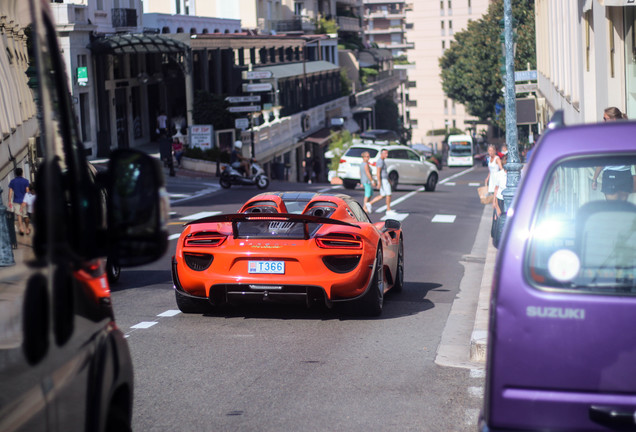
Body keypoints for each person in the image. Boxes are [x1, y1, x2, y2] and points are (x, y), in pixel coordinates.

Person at [592, 107, 632, 200]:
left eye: (605, 119)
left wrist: (595, 178)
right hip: (626, 175)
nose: (603, 121)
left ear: (613, 120)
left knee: (612, 209)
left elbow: (602, 161)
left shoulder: (608, 135)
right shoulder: (629, 133)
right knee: (622, 208)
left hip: (611, 175)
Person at [368, 149, 396, 215]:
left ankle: (369, 203)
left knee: (383, 195)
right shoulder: (380, 161)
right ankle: (388, 210)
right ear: (382, 154)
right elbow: (378, 172)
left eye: (387, 153)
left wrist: (388, 179)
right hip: (383, 180)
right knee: (388, 194)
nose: (387, 155)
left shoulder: (382, 161)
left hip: (385, 179)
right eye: (385, 153)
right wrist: (379, 182)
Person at [492, 153, 508, 247]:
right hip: (501, 200)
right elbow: (496, 189)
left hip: (511, 201)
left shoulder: (514, 175)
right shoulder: (499, 175)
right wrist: (495, 204)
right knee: (501, 221)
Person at [8, 167, 29, 236]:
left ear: (15, 174)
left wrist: (9, 201)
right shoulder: (26, 181)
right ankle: (27, 228)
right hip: (24, 201)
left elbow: (10, 192)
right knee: (25, 215)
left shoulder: (12, 181)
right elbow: (27, 191)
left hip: (16, 200)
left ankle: (21, 228)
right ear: (22, 173)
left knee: (19, 215)